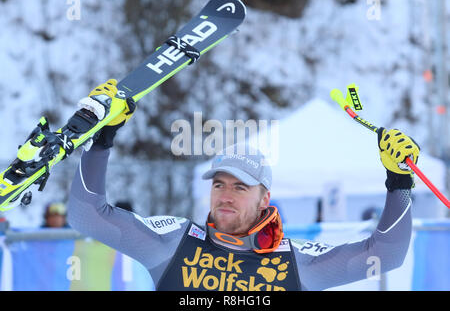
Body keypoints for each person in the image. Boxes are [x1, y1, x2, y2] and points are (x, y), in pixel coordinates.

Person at [68, 80, 419, 291]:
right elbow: (88, 217)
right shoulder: (173, 242)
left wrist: (399, 181)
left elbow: (385, 255)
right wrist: (101, 139)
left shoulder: (297, 262)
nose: (225, 195)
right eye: (219, 184)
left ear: (265, 198)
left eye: (240, 187)